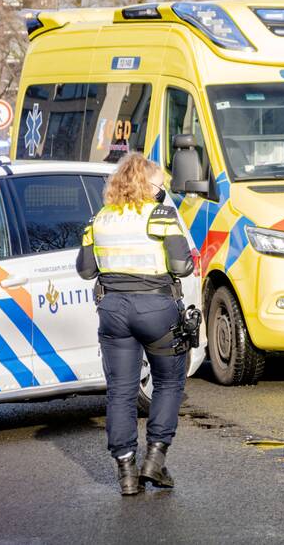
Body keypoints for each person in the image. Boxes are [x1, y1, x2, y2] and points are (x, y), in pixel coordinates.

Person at [76, 153, 194, 495]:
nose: (162, 190)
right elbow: (182, 266)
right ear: (147, 184)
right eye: (159, 184)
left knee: (121, 391)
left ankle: (126, 472)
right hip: (156, 308)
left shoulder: (98, 219)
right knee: (170, 383)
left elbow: (85, 270)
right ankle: (154, 460)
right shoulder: (161, 215)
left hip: (113, 311)